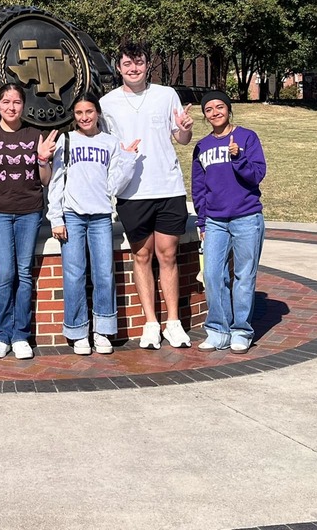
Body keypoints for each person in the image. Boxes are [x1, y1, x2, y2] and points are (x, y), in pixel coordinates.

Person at [100, 40, 195, 349]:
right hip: (132, 191)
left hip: (167, 187)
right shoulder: (107, 103)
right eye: (127, 64)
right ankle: (151, 323)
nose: (134, 69)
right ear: (119, 68)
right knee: (141, 255)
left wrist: (184, 129)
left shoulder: (166, 95)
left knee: (168, 255)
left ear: (147, 65)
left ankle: (173, 322)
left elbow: (182, 139)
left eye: (139, 63)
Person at [0, 83, 57, 360]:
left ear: (23, 106)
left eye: (16, 102)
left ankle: (21, 335)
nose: (11, 107)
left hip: (29, 212)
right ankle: (1, 334)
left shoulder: (34, 135)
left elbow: (46, 181)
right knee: (4, 273)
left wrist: (43, 160)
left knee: (23, 273)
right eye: (6, 102)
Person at [47, 93, 138, 355]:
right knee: (74, 275)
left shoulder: (110, 143)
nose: (84, 117)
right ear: (73, 116)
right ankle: (77, 332)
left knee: (103, 274)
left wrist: (128, 159)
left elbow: (114, 185)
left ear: (97, 113)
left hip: (100, 216)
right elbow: (56, 181)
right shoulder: (67, 141)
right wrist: (56, 217)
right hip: (72, 215)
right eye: (79, 113)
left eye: (89, 111)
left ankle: (103, 330)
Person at [191, 90, 267, 354]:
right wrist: (201, 221)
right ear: (204, 115)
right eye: (209, 109)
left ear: (229, 109)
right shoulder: (201, 146)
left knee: (243, 275)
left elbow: (257, 174)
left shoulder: (247, 137)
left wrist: (238, 157)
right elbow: (198, 187)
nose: (215, 112)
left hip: (247, 216)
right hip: (214, 221)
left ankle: (241, 330)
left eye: (219, 107)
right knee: (213, 275)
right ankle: (218, 330)